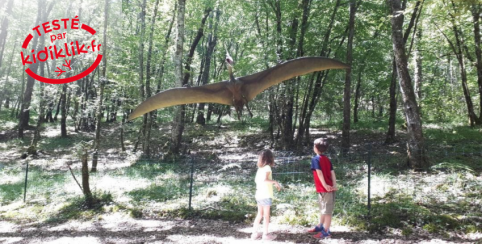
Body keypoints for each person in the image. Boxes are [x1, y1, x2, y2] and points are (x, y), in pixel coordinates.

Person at [308, 138, 337, 239]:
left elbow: (319, 173)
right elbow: (333, 173)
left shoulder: (315, 159)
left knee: (327, 211)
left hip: (325, 189)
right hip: (324, 189)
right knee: (323, 209)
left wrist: (325, 186)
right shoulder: (327, 159)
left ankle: (326, 231)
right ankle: (320, 226)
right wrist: (334, 184)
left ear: (315, 148)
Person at [251, 149, 281, 241]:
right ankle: (266, 235)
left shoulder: (260, 169)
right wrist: (275, 182)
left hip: (259, 194)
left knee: (259, 214)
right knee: (266, 215)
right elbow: (265, 180)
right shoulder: (267, 168)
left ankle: (254, 234)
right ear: (270, 158)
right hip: (265, 195)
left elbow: (258, 181)